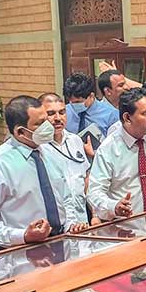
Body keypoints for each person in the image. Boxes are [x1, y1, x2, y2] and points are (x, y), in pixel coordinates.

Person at [0, 96, 86, 249]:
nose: (48, 126)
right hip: (19, 250)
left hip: (60, 242)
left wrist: (70, 224)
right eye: (40, 124)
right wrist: (23, 235)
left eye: (46, 120)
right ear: (20, 132)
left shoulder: (49, 152)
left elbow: (65, 197)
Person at [88, 88, 146, 230]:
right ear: (127, 118)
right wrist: (114, 207)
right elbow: (94, 193)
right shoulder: (108, 149)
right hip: (126, 232)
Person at [39, 93, 98, 225]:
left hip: (82, 221)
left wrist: (95, 214)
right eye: (51, 114)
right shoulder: (38, 148)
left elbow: (85, 179)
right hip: (55, 226)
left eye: (62, 112)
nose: (58, 118)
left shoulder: (75, 140)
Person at [63, 72, 119, 138]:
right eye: (71, 102)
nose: (73, 105)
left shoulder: (111, 115)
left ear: (91, 96)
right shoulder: (64, 112)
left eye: (78, 102)